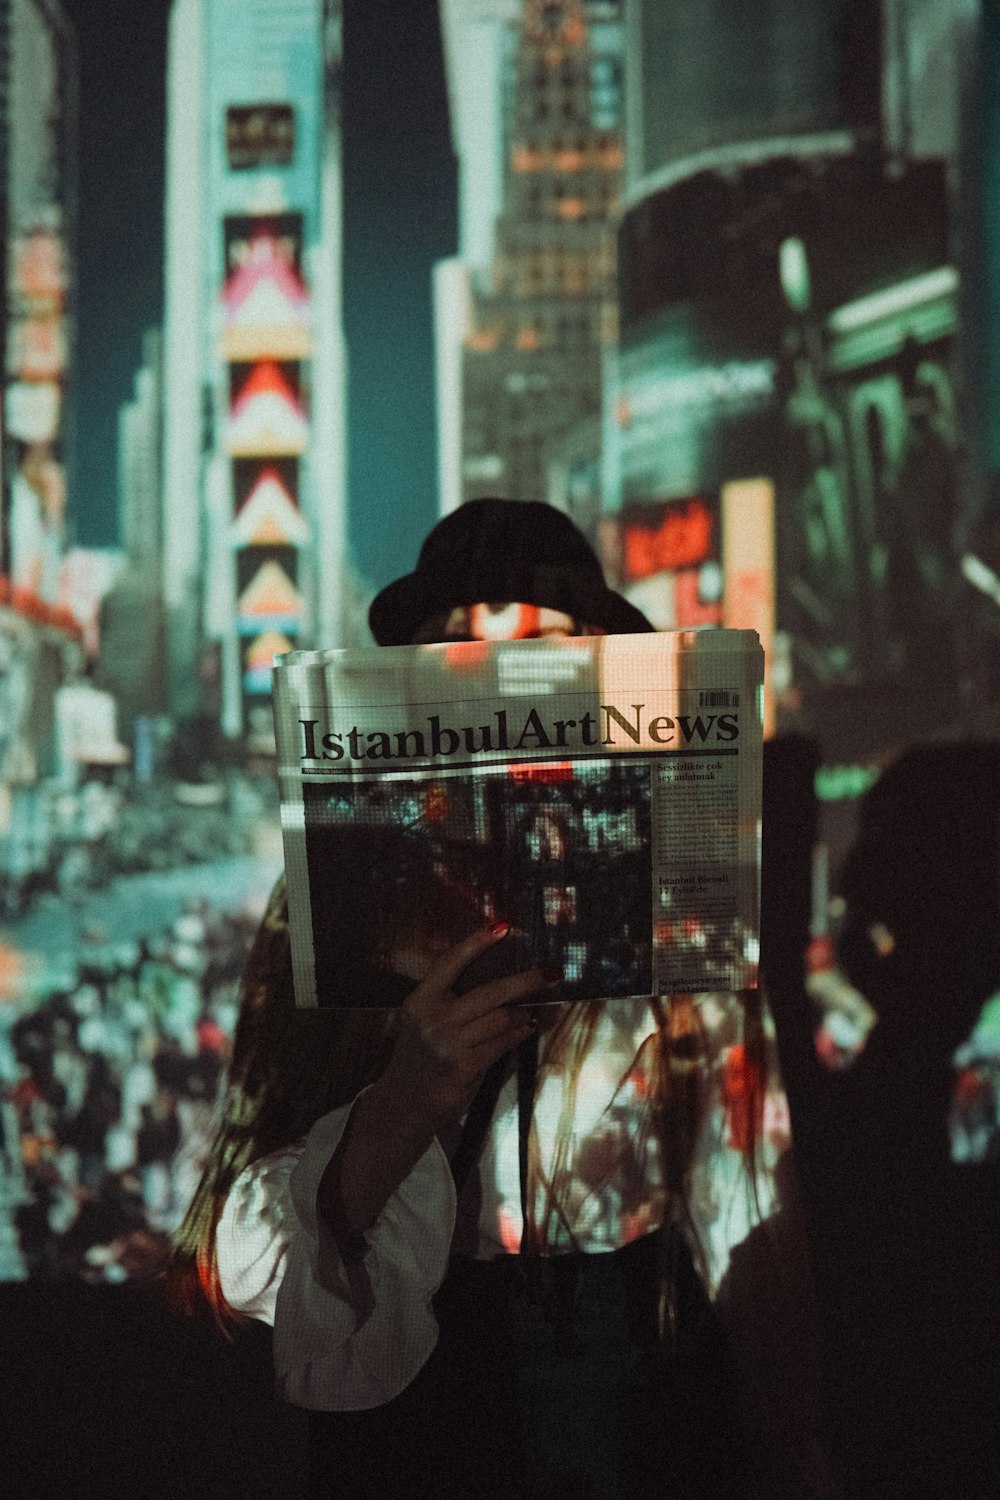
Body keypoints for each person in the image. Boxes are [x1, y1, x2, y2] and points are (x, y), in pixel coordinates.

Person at [172, 500, 833, 1499]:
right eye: (462, 635)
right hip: (432, 1386)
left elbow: (745, 1192)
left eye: (544, 635)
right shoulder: (331, 902)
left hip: (643, 1362)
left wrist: (798, 1445)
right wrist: (404, 1103)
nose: (501, 654)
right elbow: (244, 1265)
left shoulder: (685, 899)